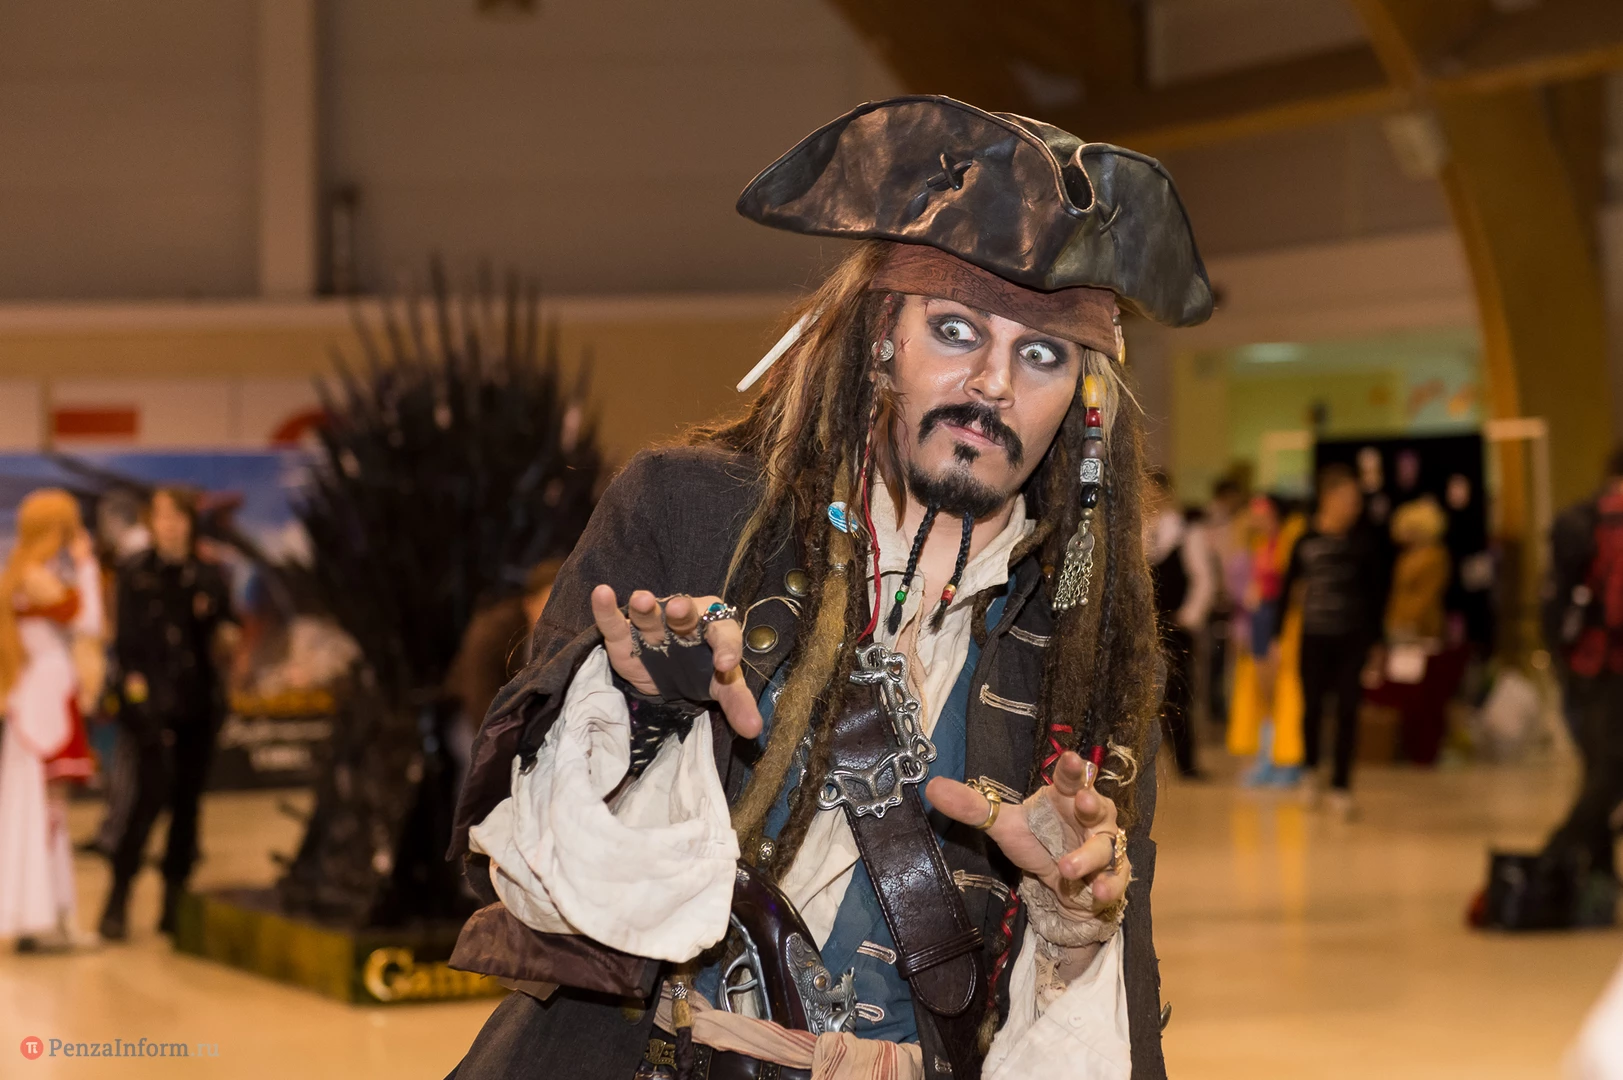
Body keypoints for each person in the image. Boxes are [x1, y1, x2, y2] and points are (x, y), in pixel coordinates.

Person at [444, 96, 1212, 1080]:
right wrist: (633, 711)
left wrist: (1070, 918)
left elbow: (1092, 1006)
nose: (993, 383)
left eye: (1041, 353)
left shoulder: (1091, 645)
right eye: (955, 329)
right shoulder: (689, 512)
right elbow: (508, 862)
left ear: (1082, 397)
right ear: (882, 337)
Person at [98, 488, 237, 941]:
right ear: (151, 523)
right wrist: (138, 703)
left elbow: (225, 629)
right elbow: (127, 647)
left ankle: (174, 902)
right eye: (161, 517)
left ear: (190, 523)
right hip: (150, 708)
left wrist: (225, 634)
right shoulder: (136, 573)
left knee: (187, 807)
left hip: (197, 705)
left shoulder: (208, 575)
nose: (170, 525)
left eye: (177, 517)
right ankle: (118, 897)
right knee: (144, 801)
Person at [0, 489, 105, 952]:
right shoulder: (33, 577)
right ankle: (39, 914)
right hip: (43, 702)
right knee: (45, 811)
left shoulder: (21, 575)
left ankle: (48, 914)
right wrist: (87, 566)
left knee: (48, 810)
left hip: (41, 698)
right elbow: (89, 621)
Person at [1274, 464, 1388, 819]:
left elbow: (1375, 597)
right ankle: (1310, 771)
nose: (1354, 508)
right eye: (1348, 499)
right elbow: (1288, 589)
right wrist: (1277, 636)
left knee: (1348, 709)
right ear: (1328, 498)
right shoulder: (1305, 542)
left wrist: (1377, 643)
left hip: (1352, 639)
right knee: (1312, 707)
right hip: (1314, 637)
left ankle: (1341, 785)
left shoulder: (1363, 544)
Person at [1539, 447, 1623, 891]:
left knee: (1600, 766)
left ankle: (1597, 874)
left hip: (1584, 661)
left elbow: (1554, 597)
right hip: (1614, 662)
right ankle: (1557, 856)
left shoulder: (1580, 519)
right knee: (1609, 769)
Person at [442, 558, 563, 791]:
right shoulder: (492, 631)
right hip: (472, 712)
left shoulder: (569, 634)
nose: (556, 615)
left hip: (529, 719)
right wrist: (508, 745)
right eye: (549, 603)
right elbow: (479, 697)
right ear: (529, 603)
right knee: (479, 762)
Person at [1226, 494, 1307, 786]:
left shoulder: (1290, 542)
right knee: (1263, 692)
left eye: (1261, 513)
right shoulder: (1258, 545)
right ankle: (1267, 757)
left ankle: (1286, 758)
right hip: (1260, 619)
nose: (1255, 519)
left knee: (1282, 689)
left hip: (1281, 621)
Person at [1144, 470, 1215, 778]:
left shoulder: (1187, 530)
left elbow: (1203, 579)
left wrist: (1189, 615)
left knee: (1178, 695)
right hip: (1142, 627)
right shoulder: (1136, 529)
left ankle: (1186, 762)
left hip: (1175, 626)